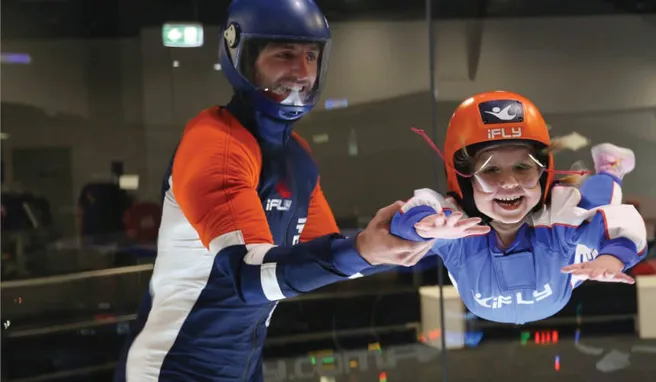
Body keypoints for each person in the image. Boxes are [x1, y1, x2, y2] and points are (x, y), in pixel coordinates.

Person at [114, 1, 434, 380]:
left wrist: (410, 233)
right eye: (284, 54)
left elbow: (327, 256)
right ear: (244, 57)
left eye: (311, 55)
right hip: (169, 368)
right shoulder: (215, 141)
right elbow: (250, 278)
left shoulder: (297, 156)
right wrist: (364, 249)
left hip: (242, 366)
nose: (301, 72)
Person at [390, 90, 654, 325]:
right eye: (491, 170)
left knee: (597, 205)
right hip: (543, 291)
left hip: (567, 272)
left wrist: (612, 257)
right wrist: (422, 224)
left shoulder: (558, 220)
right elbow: (415, 210)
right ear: (465, 180)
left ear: (542, 173)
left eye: (523, 167)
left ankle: (611, 168)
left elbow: (622, 222)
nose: (510, 183)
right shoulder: (455, 228)